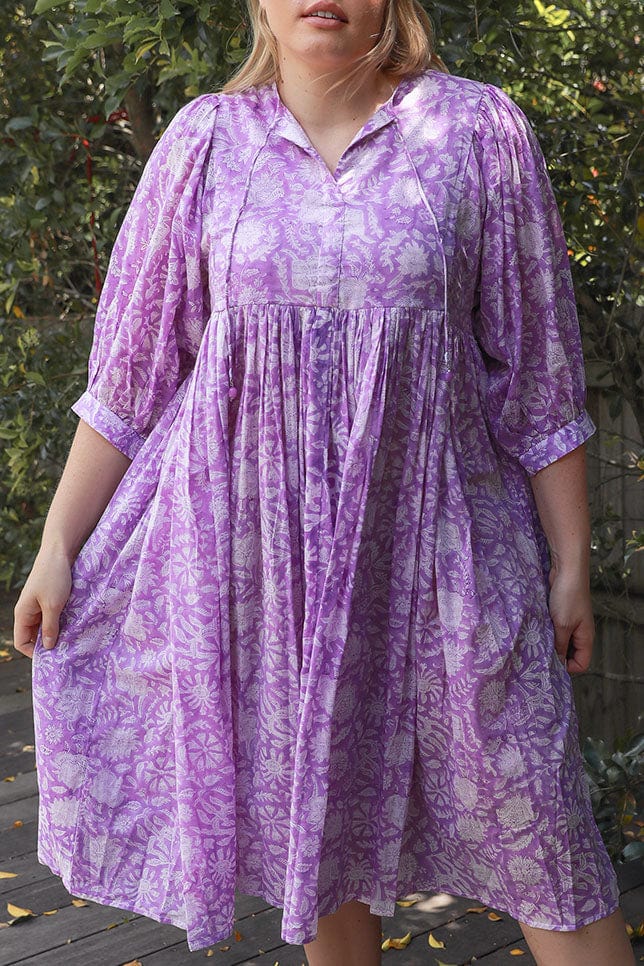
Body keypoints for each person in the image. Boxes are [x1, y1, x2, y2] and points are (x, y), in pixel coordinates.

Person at [13, 1, 636, 964]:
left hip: (446, 557)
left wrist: (568, 563)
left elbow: (539, 374)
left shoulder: (475, 130)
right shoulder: (205, 143)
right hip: (258, 567)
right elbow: (134, 379)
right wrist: (58, 546)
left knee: (542, 830)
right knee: (325, 846)